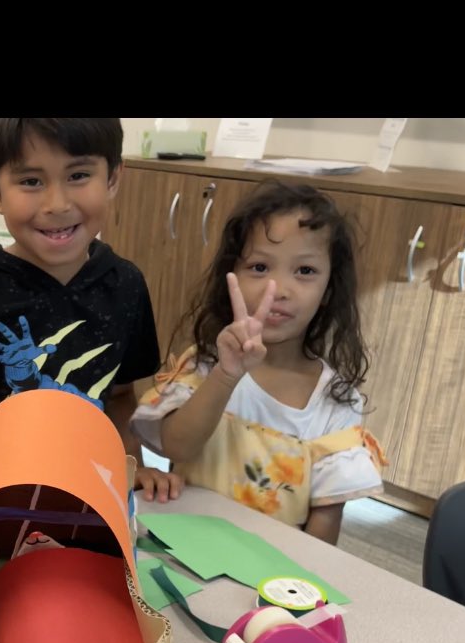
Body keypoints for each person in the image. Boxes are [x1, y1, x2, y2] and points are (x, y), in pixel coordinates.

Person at [0, 117, 182, 545]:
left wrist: (131, 465)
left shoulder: (126, 285)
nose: (57, 203)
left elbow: (121, 396)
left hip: (86, 516)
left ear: (113, 178)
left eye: (78, 175)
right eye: (31, 181)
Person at [132, 180, 386, 544]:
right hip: (182, 547)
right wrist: (226, 374)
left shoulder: (336, 401)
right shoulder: (206, 364)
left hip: (274, 565)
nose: (277, 290)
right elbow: (176, 448)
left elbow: (326, 522)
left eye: (305, 271)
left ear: (328, 291)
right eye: (260, 267)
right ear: (231, 277)